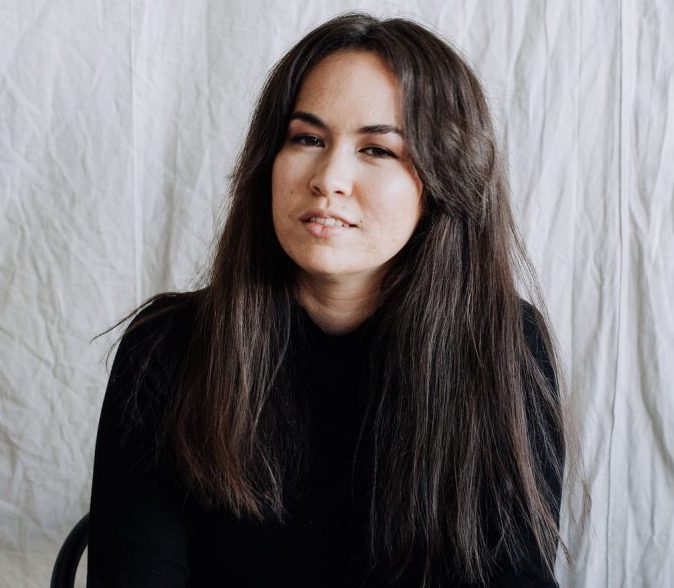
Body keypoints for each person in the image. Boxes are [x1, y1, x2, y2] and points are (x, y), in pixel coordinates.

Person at [87, 12, 569, 587]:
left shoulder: (500, 344)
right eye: (307, 139)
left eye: (378, 150)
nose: (329, 178)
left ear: (443, 182)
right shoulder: (167, 347)